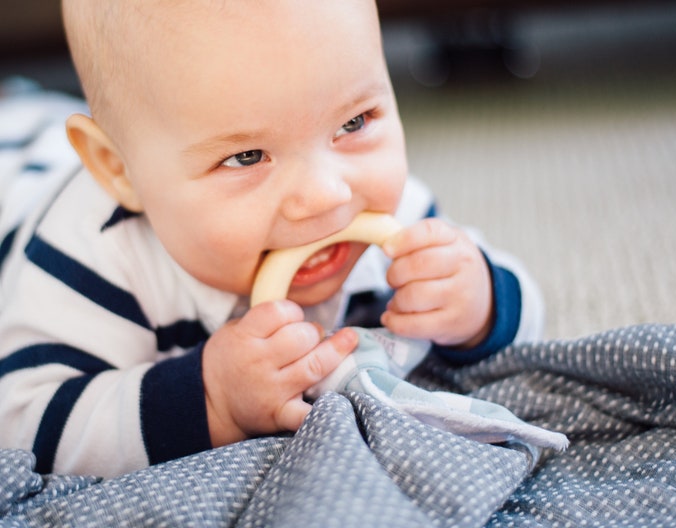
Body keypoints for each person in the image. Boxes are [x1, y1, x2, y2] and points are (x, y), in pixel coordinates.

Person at [0, 0, 544, 478]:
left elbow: (525, 307)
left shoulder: (387, 208)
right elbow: (21, 421)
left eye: (355, 122)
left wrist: (480, 302)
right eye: (246, 156)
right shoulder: (91, 260)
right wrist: (209, 399)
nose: (327, 195)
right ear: (118, 169)